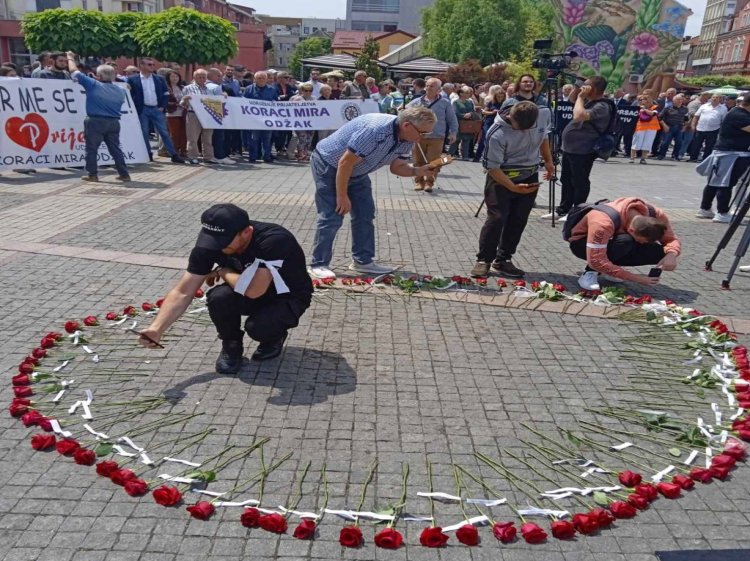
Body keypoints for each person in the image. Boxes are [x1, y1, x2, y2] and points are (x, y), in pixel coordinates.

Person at [138, 203, 312, 372]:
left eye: (224, 241)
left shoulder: (274, 240)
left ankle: (274, 337)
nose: (217, 247)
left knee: (258, 328)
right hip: (247, 288)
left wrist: (223, 271)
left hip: (287, 296)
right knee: (218, 297)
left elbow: (253, 290)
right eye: (212, 240)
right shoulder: (210, 245)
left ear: (246, 232)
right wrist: (157, 328)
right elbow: (183, 291)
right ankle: (231, 345)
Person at [308, 106, 439, 279]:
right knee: (332, 215)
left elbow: (397, 167)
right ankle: (318, 264)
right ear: (407, 125)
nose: (423, 138)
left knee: (365, 214)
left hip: (357, 171)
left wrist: (418, 171)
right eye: (422, 133)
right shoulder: (375, 131)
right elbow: (344, 163)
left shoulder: (407, 138)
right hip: (329, 165)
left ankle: (363, 261)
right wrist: (342, 196)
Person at [471, 101, 554, 279]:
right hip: (501, 176)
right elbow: (492, 167)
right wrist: (513, 187)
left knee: (519, 218)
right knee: (497, 217)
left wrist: (548, 161)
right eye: (519, 128)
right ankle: (484, 259)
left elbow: (544, 137)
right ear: (510, 117)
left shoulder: (544, 113)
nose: (524, 132)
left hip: (529, 173)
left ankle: (503, 259)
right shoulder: (496, 132)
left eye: (529, 128)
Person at [569, 197, 681, 291]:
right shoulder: (603, 222)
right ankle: (590, 273)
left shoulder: (656, 215)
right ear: (632, 230)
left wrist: (672, 254)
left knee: (661, 253)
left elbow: (670, 238)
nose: (642, 244)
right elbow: (596, 260)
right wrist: (635, 278)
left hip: (612, 243)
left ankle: (610, 270)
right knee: (625, 241)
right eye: (641, 240)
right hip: (582, 243)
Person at [551, 76, 613, 220]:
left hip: (584, 150)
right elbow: (571, 100)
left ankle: (577, 211)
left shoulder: (602, 106)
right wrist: (577, 87)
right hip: (569, 148)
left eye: (587, 85)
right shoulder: (588, 101)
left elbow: (579, 115)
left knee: (579, 181)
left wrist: (581, 97)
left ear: (596, 89)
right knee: (566, 178)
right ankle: (563, 209)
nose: (584, 88)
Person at [65, 52, 130, 183]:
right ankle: (124, 174)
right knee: (115, 148)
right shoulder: (121, 90)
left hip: (95, 121)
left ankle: (92, 174)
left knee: (91, 148)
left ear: (98, 76)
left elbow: (74, 71)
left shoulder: (93, 84)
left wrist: (70, 58)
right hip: (113, 122)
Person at [696, 95, 750, 223]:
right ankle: (722, 212)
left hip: (729, 153)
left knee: (714, 183)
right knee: (726, 183)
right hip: (731, 154)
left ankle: (705, 209)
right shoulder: (740, 114)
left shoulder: (737, 112)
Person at [127, 58, 185, 164]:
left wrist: (162, 106)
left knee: (164, 133)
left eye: (153, 64)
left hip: (156, 109)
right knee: (144, 132)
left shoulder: (159, 79)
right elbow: (129, 94)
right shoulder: (132, 79)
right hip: (142, 109)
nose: (152, 66)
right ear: (141, 66)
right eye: (149, 64)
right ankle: (148, 154)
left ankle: (174, 154)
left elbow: (166, 94)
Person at [407, 78, 458, 192]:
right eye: (427, 86)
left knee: (433, 162)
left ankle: (429, 183)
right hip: (418, 136)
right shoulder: (417, 101)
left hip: (437, 136)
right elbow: (406, 112)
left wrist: (453, 133)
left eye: (432, 86)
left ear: (438, 89)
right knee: (417, 161)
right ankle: (419, 182)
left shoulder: (445, 102)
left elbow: (452, 119)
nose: (428, 88)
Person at [181, 69, 218, 165]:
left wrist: (224, 96)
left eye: (204, 77)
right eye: (199, 77)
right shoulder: (187, 88)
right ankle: (193, 157)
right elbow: (182, 104)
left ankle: (208, 157)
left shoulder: (210, 89)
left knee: (208, 137)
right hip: (193, 114)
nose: (202, 79)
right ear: (194, 77)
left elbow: (217, 101)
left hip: (208, 115)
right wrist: (185, 99)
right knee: (192, 137)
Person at [243, 71, 278, 163]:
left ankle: (266, 157)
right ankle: (252, 157)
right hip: (254, 120)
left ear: (266, 79)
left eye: (263, 78)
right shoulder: (248, 89)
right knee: (253, 139)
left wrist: (275, 103)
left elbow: (276, 102)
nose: (261, 80)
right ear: (255, 79)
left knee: (267, 139)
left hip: (268, 120)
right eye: (259, 78)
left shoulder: (272, 89)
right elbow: (243, 103)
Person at [689, 94, 727, 163]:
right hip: (700, 128)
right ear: (711, 98)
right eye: (713, 97)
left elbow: (723, 121)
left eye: (717, 97)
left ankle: (705, 160)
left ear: (720, 99)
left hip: (714, 129)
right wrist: (693, 125)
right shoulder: (704, 106)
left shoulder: (723, 108)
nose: (714, 99)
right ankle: (693, 158)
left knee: (709, 145)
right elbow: (696, 116)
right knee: (696, 144)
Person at [473, 85, 506, 163]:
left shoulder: (505, 104)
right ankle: (477, 157)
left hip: (498, 123)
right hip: (489, 122)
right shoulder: (491, 102)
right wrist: (492, 112)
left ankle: (490, 157)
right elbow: (484, 111)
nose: (500, 98)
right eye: (498, 97)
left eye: (501, 97)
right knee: (484, 139)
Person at [656, 94, 688, 160]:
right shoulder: (667, 108)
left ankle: (676, 155)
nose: (679, 101)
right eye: (677, 99)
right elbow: (659, 117)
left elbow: (686, 119)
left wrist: (684, 127)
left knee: (679, 142)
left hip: (679, 127)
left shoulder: (685, 109)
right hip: (669, 127)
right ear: (673, 101)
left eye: (680, 100)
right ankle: (661, 155)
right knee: (665, 142)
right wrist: (664, 125)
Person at [451, 86, 480, 160]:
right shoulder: (456, 102)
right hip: (459, 123)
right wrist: (463, 115)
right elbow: (455, 112)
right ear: (461, 94)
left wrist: (470, 114)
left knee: (466, 140)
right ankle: (450, 155)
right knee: (456, 140)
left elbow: (473, 111)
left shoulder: (470, 102)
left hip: (468, 124)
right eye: (466, 93)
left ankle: (465, 156)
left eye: (469, 93)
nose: (468, 94)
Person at [289, 84, 315, 162]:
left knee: (309, 140)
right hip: (300, 123)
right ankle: (300, 155)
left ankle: (305, 154)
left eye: (310, 91)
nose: (308, 92)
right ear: (302, 91)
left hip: (311, 123)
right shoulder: (297, 99)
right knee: (302, 140)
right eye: (306, 90)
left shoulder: (314, 99)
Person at [165, 70, 187, 158]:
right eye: (172, 76)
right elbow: (165, 101)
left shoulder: (183, 87)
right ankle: (174, 152)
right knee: (174, 134)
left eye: (176, 76)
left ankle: (183, 150)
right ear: (168, 78)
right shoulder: (166, 87)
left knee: (184, 133)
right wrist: (176, 104)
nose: (175, 78)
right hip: (172, 113)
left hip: (183, 113)